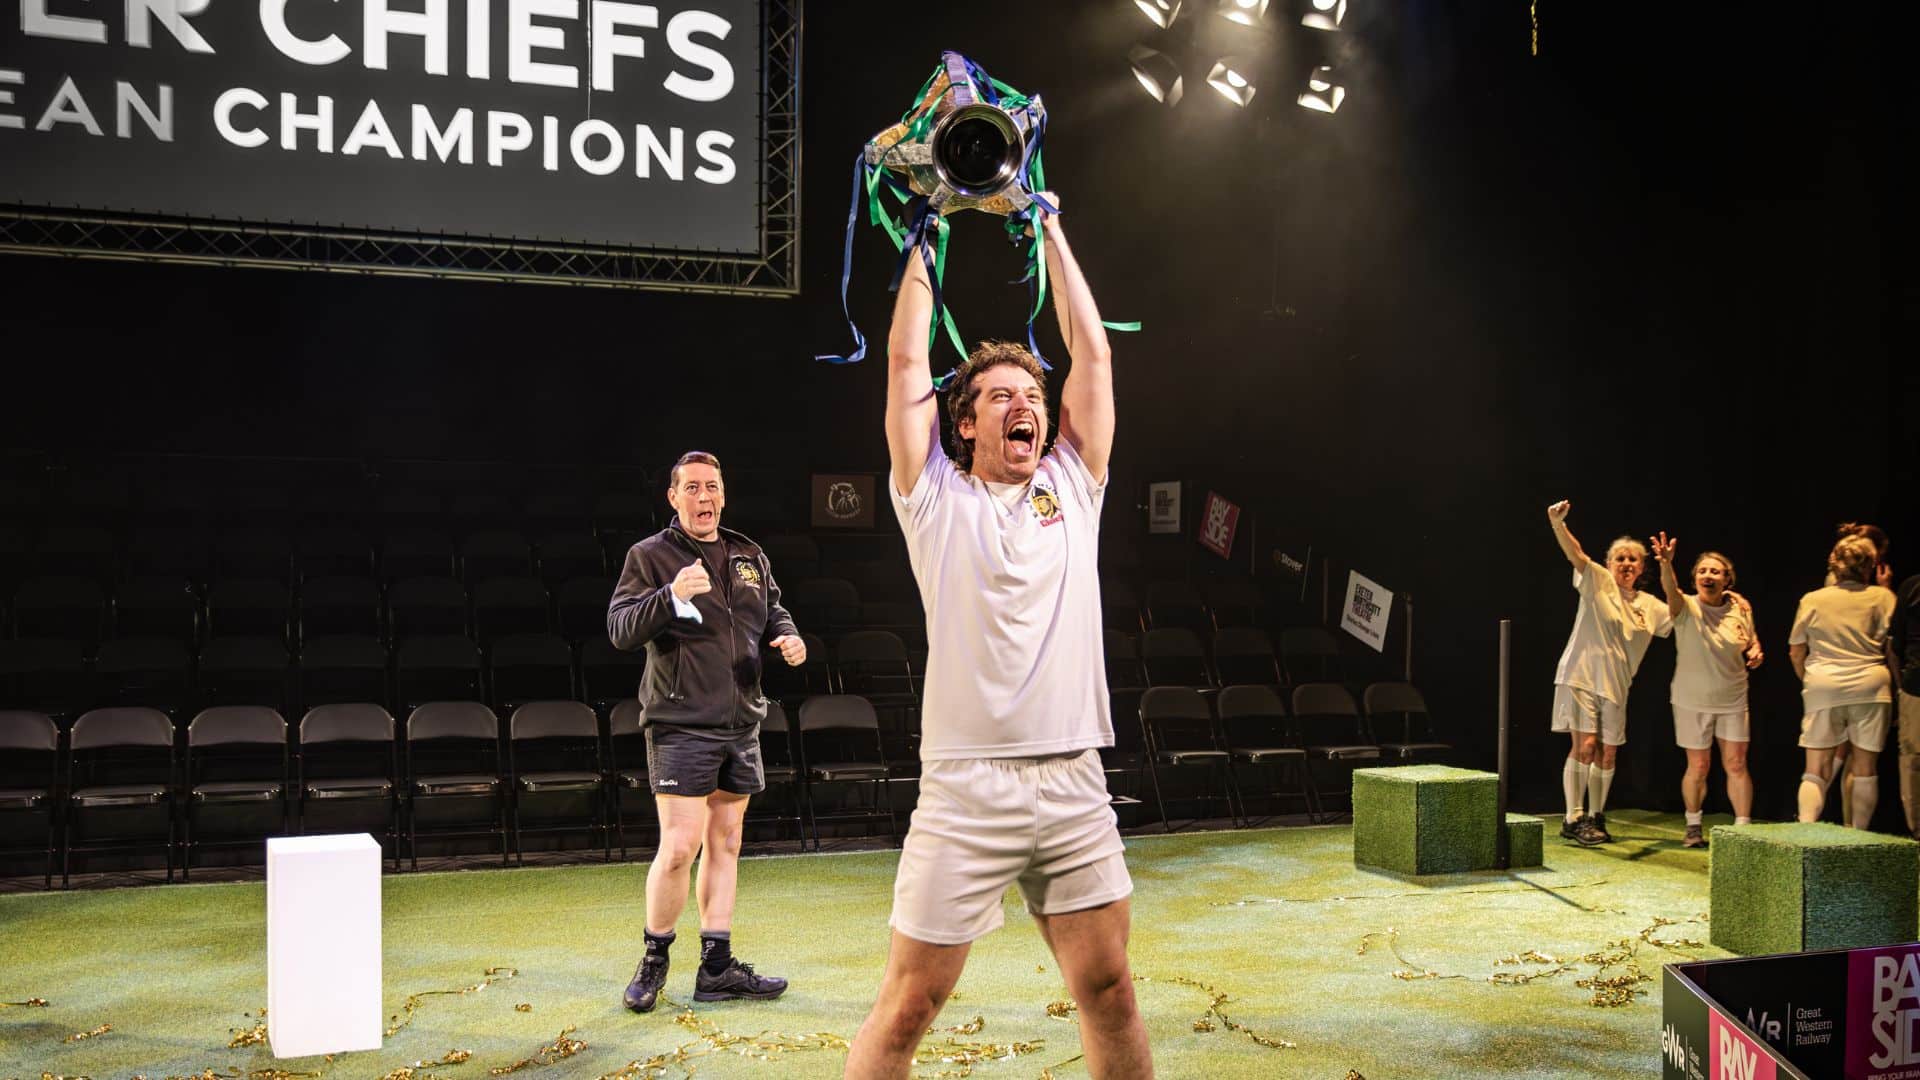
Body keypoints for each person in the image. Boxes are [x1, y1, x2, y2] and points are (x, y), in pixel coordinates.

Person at [843, 203, 1152, 1079]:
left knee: (1111, 991)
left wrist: (1047, 226)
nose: (1025, 406)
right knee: (908, 1005)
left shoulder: (1074, 485)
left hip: (1073, 775)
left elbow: (1094, 356)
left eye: (1034, 397)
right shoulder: (934, 498)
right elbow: (906, 362)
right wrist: (927, 232)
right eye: (1001, 397)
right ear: (966, 424)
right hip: (966, 787)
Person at [608, 451, 808, 1012]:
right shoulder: (650, 556)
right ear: (673, 497)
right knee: (680, 846)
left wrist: (790, 636)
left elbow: (772, 610)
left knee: (726, 841)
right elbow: (620, 628)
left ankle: (717, 969)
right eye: (692, 487)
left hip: (741, 720)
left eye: (712, 487)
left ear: (723, 494)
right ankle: (654, 959)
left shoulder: (749, 554)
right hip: (681, 723)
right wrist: (670, 595)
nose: (704, 496)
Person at [1546, 501, 1673, 846]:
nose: (1626, 563)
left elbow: (1684, 613)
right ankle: (1573, 817)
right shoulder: (1598, 581)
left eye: (1633, 559)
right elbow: (1576, 555)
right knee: (1585, 746)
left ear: (1641, 567)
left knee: (1608, 753)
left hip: (1616, 685)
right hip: (1582, 675)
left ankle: (1596, 815)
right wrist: (1558, 523)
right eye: (1620, 558)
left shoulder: (1650, 605)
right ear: (1609, 563)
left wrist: (1733, 604)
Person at [1650, 533, 1761, 848]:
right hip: (1691, 699)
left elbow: (1750, 639)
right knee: (1698, 765)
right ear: (1695, 578)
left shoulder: (1741, 608)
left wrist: (1755, 649)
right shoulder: (1685, 607)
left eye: (1715, 571)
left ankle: (1743, 831)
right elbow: (1670, 589)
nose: (1708, 575)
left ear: (1727, 579)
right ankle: (1693, 826)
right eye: (1702, 571)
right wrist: (1666, 564)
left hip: (1733, 697)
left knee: (1736, 763)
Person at [1790, 535, 1897, 829]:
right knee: (1865, 768)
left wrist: (1808, 680)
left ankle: (1806, 830)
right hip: (1872, 686)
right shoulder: (1884, 597)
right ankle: (1858, 835)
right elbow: (1893, 648)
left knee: (1815, 769)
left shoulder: (1813, 599)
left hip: (1824, 684)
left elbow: (1796, 650)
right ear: (1870, 565)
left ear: (1834, 563)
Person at [1894, 571, 1920, 837]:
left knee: (1913, 759)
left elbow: (1895, 643)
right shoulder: (1912, 587)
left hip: (1914, 683)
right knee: (1913, 760)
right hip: (1915, 685)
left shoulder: (1913, 586)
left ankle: (1917, 832)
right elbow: (1895, 643)